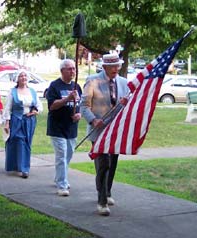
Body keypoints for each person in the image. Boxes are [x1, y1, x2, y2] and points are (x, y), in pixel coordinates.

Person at [80, 53, 129, 216]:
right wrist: (93, 120)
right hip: (99, 131)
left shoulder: (124, 83)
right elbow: (84, 106)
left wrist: (126, 105)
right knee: (103, 164)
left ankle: (107, 192)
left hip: (116, 132)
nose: (116, 69)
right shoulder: (92, 81)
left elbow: (127, 106)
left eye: (118, 65)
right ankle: (101, 202)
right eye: (113, 66)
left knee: (112, 163)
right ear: (105, 67)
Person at [46, 59, 82, 197]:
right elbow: (52, 105)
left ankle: (59, 176)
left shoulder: (76, 86)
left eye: (74, 69)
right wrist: (67, 99)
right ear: (62, 71)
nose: (72, 71)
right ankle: (62, 185)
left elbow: (79, 105)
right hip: (57, 127)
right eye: (69, 69)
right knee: (61, 155)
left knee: (68, 155)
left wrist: (79, 114)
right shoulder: (55, 86)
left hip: (71, 128)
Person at [3, 69, 43, 178]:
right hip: (16, 120)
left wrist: (35, 111)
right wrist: (7, 123)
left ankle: (22, 166)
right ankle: (23, 169)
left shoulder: (32, 91)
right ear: (17, 79)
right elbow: (8, 108)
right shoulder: (13, 92)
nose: (23, 78)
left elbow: (40, 106)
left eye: (25, 76)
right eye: (21, 76)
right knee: (18, 140)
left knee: (26, 143)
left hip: (29, 121)